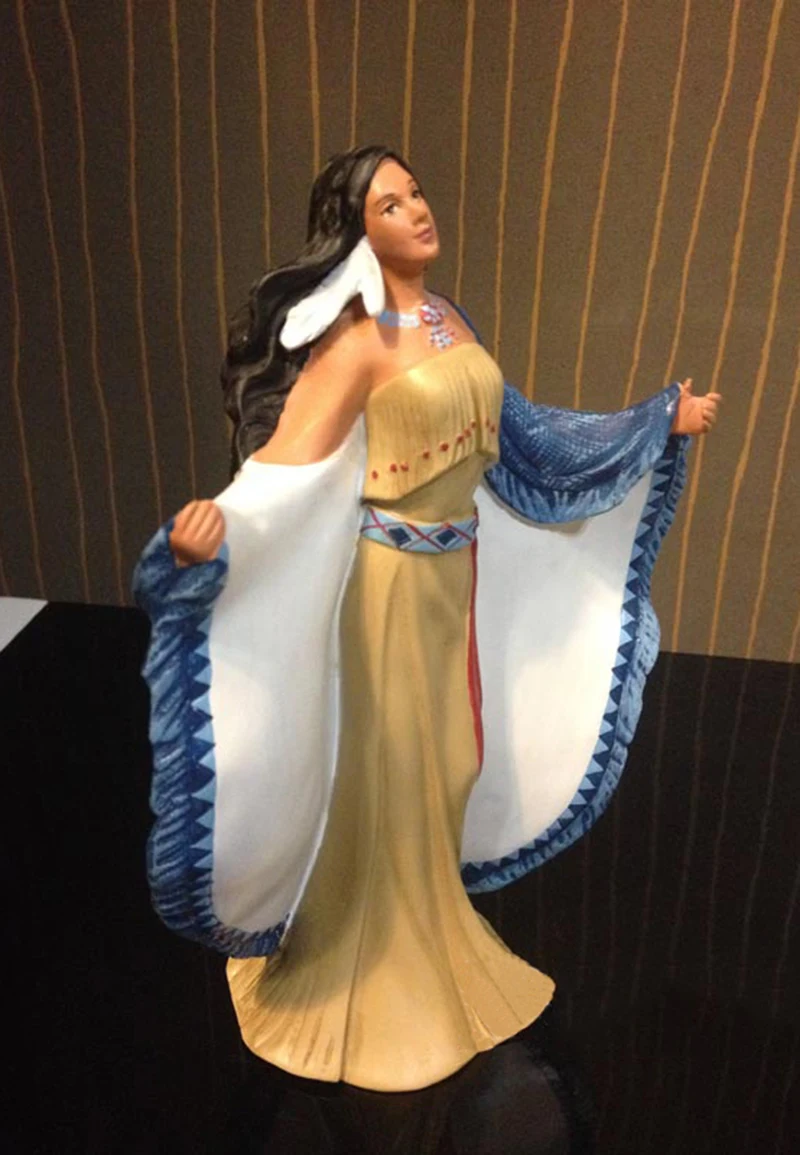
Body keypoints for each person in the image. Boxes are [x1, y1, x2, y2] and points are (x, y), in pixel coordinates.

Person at [133, 145, 720, 1099]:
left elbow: (525, 430)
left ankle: (431, 925)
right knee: (396, 767)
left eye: (416, 193)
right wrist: (214, 537)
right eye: (390, 204)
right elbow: (286, 464)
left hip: (456, 577)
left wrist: (653, 422)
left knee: (452, 761)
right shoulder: (356, 342)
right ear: (356, 232)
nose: (416, 211)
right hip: (390, 588)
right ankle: (367, 955)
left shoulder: (448, 320)